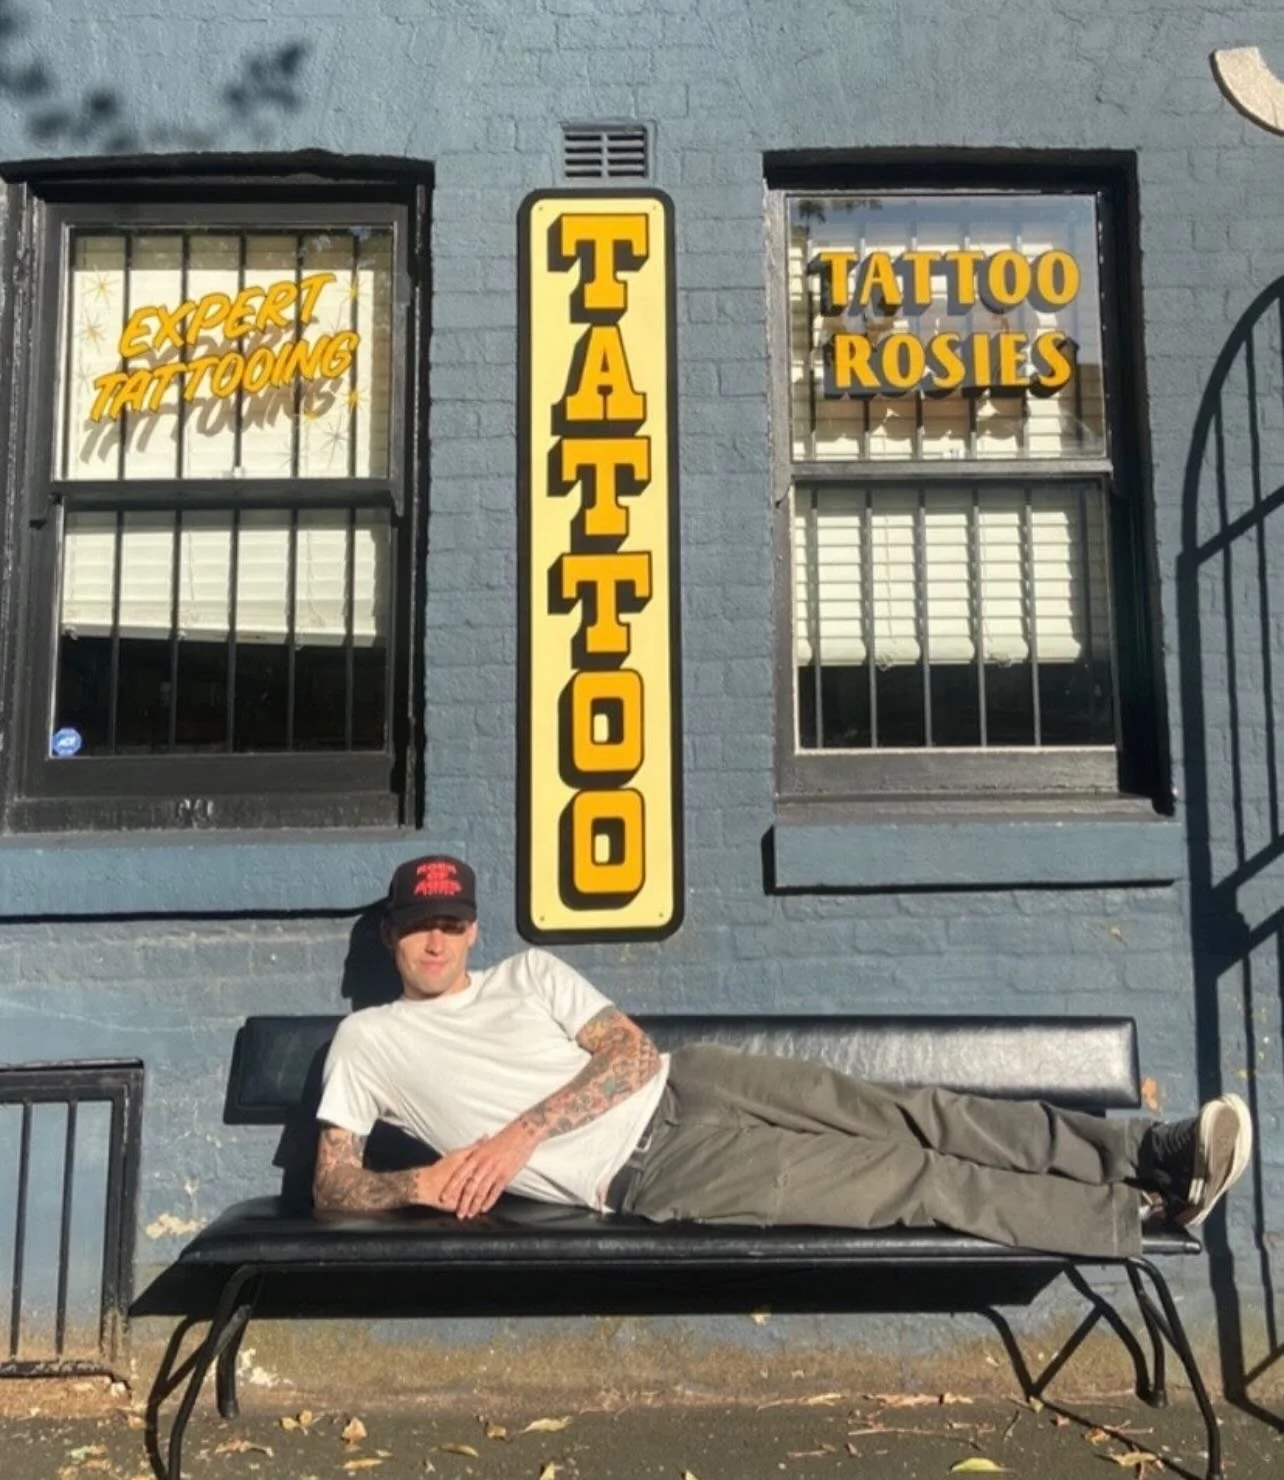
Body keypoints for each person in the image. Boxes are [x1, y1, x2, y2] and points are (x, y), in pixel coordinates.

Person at [314, 855, 1253, 1259]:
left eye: (448, 925)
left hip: (695, 1081)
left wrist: (514, 1142)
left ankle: (1146, 1154)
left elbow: (633, 1058)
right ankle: (1138, 1216)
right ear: (393, 935)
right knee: (912, 1178)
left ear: (471, 929)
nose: (433, 945)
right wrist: (418, 1185)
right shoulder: (369, 1041)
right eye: (416, 928)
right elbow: (332, 1186)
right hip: (654, 1169)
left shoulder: (530, 973)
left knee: (924, 1112)